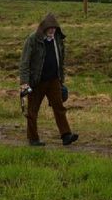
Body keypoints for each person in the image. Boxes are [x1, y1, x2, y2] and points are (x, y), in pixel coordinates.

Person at [19, 13, 78, 148]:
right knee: (32, 111)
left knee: (59, 107)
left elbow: (61, 61)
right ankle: (33, 139)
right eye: (50, 28)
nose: (52, 30)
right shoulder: (32, 40)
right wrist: (24, 83)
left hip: (54, 80)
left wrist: (61, 79)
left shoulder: (58, 39)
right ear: (44, 28)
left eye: (54, 28)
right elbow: (24, 63)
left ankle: (66, 135)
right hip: (36, 82)